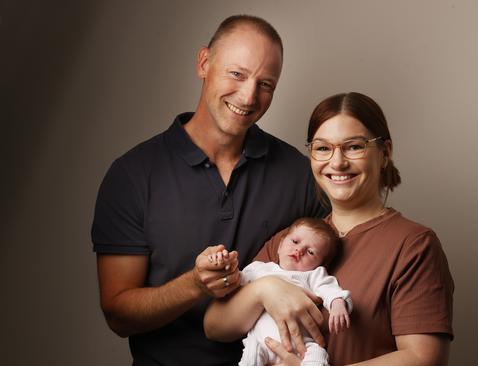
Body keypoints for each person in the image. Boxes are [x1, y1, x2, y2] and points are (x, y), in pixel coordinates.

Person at [91, 15, 326, 365]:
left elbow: (340, 269)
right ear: (204, 63)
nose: (248, 97)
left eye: (266, 84)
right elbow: (118, 314)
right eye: (237, 74)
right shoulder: (133, 174)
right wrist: (195, 285)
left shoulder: (298, 173)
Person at [204, 92, 454, 365]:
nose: (337, 163)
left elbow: (424, 358)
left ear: (385, 153)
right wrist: (265, 289)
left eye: (354, 146)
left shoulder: (413, 245)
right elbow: (216, 326)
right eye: (323, 148)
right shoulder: (293, 238)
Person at [210, 217, 352, 366]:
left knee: (318, 354)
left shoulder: (313, 275)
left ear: (321, 264)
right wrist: (224, 264)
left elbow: (329, 288)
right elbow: (235, 280)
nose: (299, 250)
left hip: (303, 346)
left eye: (310, 252)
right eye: (295, 242)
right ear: (280, 246)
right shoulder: (260, 269)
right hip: (261, 343)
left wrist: (337, 304)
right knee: (250, 356)